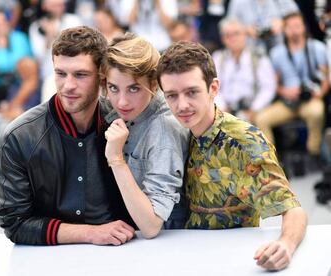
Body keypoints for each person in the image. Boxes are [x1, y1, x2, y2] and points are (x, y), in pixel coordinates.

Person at [157, 41, 307, 271]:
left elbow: (293, 209)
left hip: (234, 262)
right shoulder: (180, 132)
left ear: (214, 88)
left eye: (192, 92)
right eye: (172, 96)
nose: (182, 105)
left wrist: (286, 245)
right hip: (187, 258)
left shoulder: (244, 142)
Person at [0, 26, 135, 246]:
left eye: (80, 75)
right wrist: (90, 233)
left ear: (102, 77)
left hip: (124, 250)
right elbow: (15, 223)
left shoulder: (127, 122)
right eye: (60, 73)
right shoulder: (18, 137)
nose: (68, 86)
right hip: (48, 259)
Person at [101, 33, 189, 238]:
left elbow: (151, 226)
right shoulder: (121, 107)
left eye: (133, 89)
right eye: (113, 88)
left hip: (167, 246)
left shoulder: (164, 130)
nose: (121, 102)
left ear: (154, 85)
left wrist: (116, 159)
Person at [254, 12, 329, 158]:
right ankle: (271, 159)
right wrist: (284, 91)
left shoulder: (317, 48)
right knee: (261, 118)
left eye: (297, 26)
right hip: (287, 102)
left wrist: (319, 93)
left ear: (303, 28)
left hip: (311, 99)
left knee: (317, 112)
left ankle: (314, 152)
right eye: (289, 27)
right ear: (284, 29)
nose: (294, 30)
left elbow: (326, 77)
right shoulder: (277, 53)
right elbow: (273, 83)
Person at [212, 18, 276, 123]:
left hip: (252, 109)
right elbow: (213, 87)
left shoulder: (258, 57)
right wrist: (223, 108)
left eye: (236, 33)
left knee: (261, 121)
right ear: (223, 39)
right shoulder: (218, 58)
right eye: (228, 35)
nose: (233, 38)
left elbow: (268, 88)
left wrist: (254, 109)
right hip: (225, 110)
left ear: (245, 35)